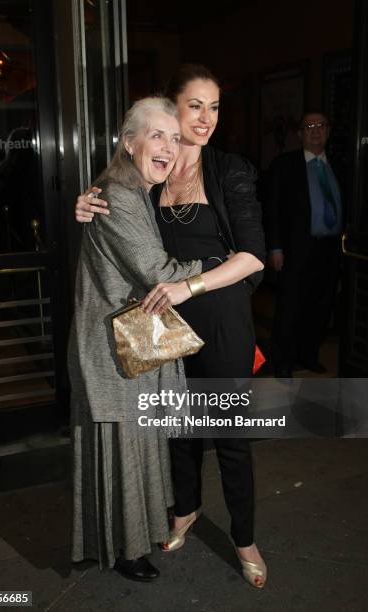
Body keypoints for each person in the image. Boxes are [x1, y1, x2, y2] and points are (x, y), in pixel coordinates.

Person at [74, 65, 267, 588]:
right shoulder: (148, 172)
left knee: (227, 435)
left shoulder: (230, 171)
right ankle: (185, 509)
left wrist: (191, 286)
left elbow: (253, 257)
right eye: (195, 106)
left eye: (215, 107)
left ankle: (245, 539)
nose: (206, 119)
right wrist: (87, 200)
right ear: (171, 110)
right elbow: (118, 211)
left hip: (219, 317)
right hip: (163, 326)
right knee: (178, 429)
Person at [264, 109, 343, 378]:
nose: (316, 130)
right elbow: (272, 209)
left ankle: (308, 355)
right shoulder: (285, 165)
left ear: (328, 131)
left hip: (329, 250)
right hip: (295, 249)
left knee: (319, 307)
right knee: (290, 309)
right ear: (300, 134)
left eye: (321, 125)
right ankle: (282, 363)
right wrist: (274, 247)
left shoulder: (340, 165)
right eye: (309, 126)